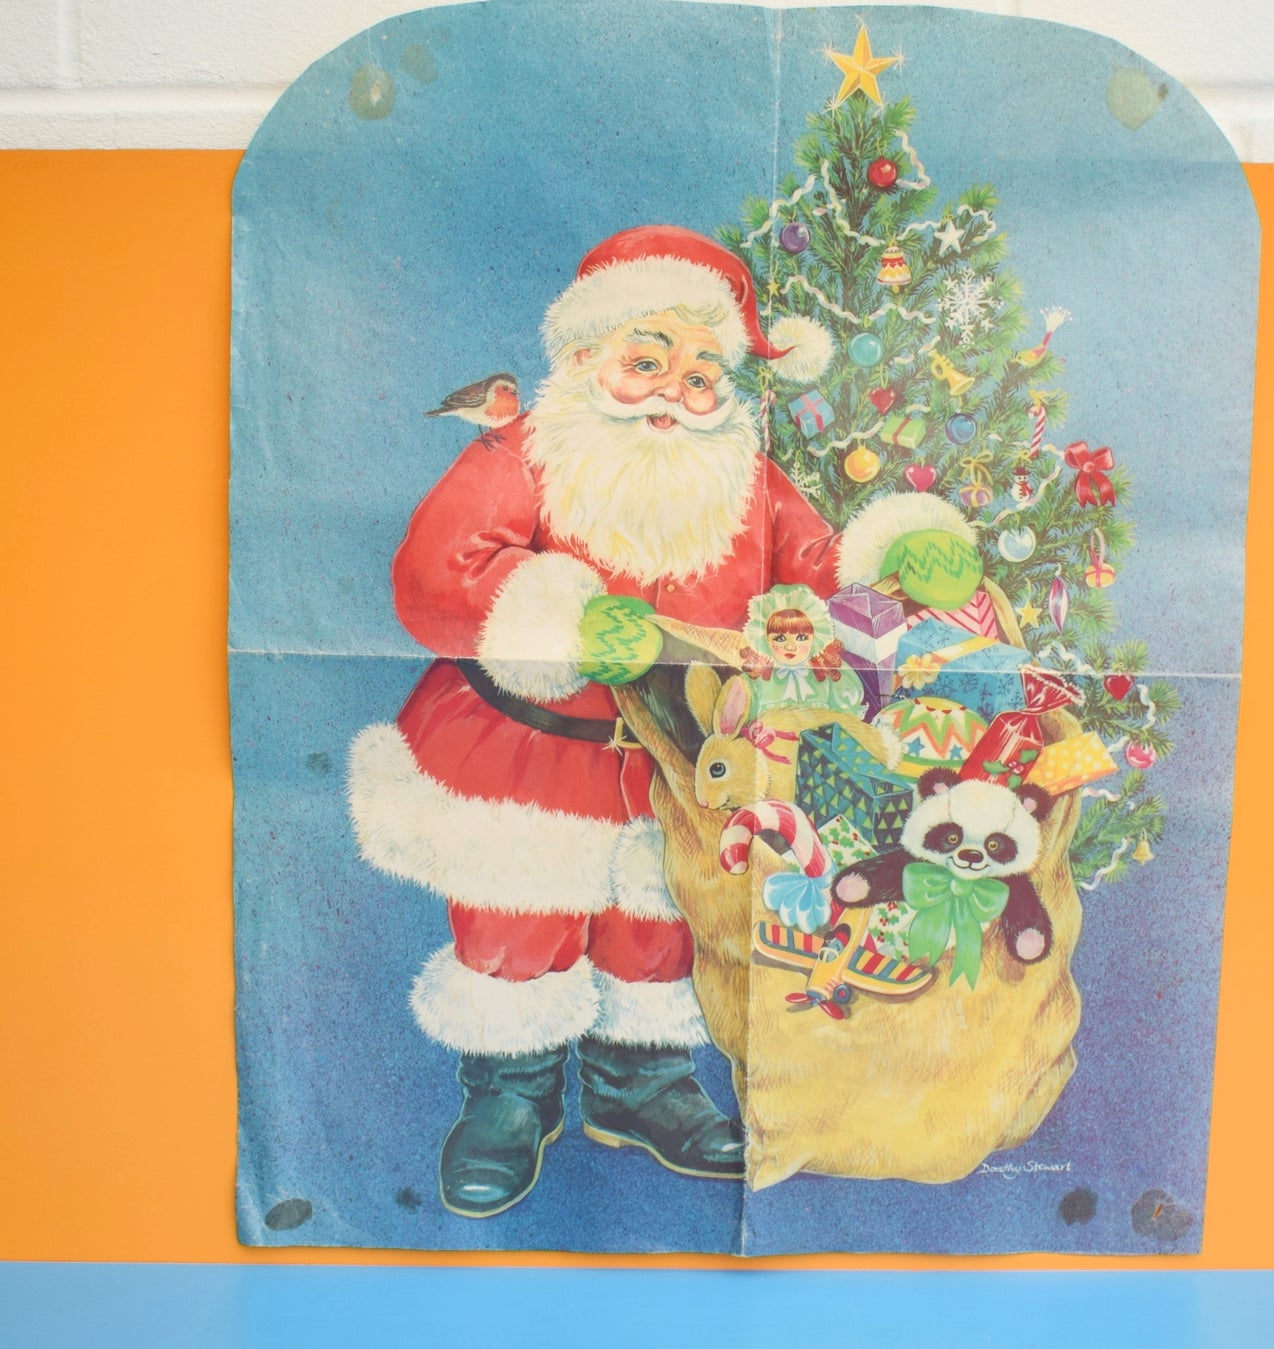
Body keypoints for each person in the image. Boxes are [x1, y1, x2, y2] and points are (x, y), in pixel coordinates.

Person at [347, 224, 979, 1217]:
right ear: (583, 356)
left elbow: (818, 567)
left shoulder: (745, 478)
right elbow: (437, 573)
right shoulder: (523, 453)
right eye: (646, 362)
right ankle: (509, 1091)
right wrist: (564, 616)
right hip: (528, 752)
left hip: (681, 759)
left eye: (699, 375)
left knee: (662, 924)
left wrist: (893, 564)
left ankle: (639, 1082)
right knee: (516, 920)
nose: (672, 392)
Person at [740, 583, 865, 716]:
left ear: (815, 638)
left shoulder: (826, 672)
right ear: (766, 640)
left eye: (801, 637)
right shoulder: (758, 678)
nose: (790, 646)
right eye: (780, 638)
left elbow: (845, 714)